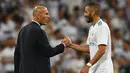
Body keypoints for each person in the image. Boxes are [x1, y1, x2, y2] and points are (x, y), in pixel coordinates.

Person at [14, 5, 71, 73]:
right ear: (38, 15)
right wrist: (64, 45)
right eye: (46, 14)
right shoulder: (39, 31)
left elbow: (17, 55)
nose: (49, 17)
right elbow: (49, 52)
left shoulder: (23, 30)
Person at [63, 2, 114, 73]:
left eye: (86, 12)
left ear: (92, 12)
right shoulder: (92, 28)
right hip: (95, 69)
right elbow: (88, 48)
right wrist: (70, 45)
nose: (84, 15)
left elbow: (102, 50)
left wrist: (88, 65)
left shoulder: (102, 26)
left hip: (103, 68)